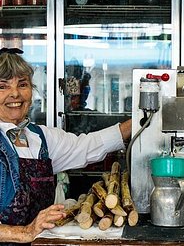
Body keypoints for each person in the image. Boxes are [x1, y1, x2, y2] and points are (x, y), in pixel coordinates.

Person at [0, 48, 132, 244]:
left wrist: (142, 120)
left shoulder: (40, 137)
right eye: (3, 86)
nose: (15, 94)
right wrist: (24, 232)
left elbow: (88, 146)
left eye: (23, 84)